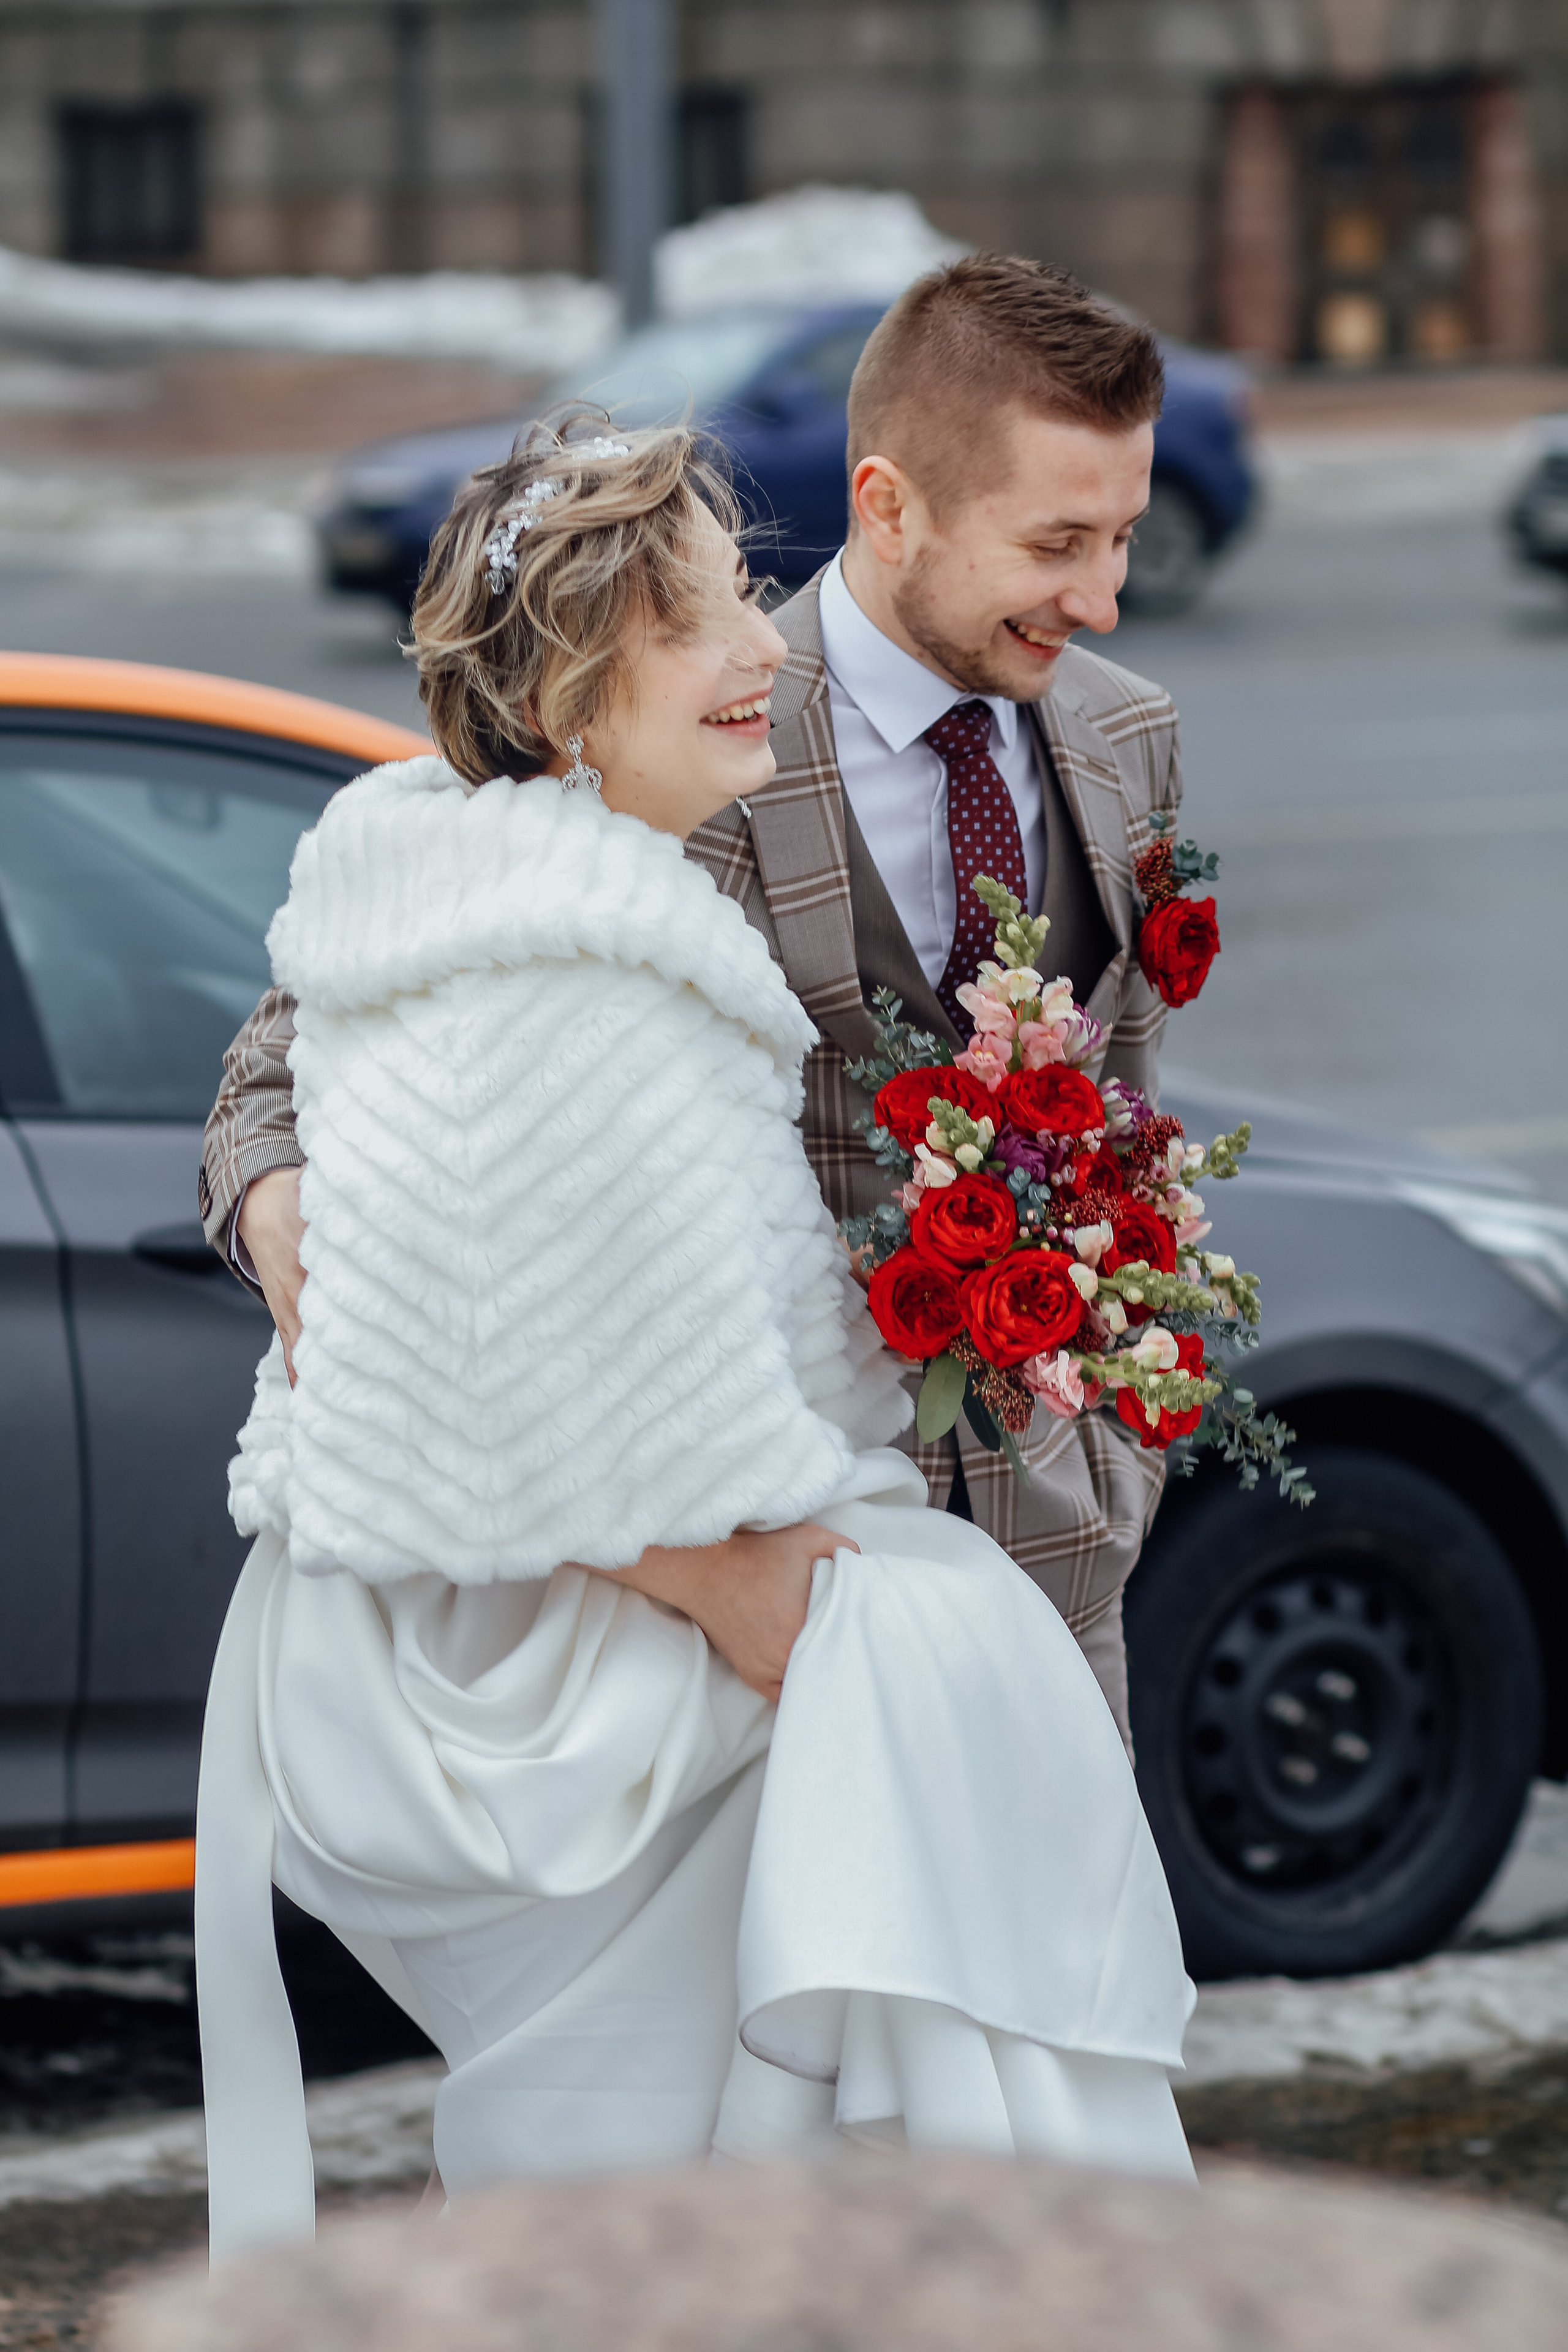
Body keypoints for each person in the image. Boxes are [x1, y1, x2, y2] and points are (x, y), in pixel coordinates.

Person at [195, 415, 1194, 2264]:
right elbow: (410, 1326)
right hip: (653, 1674)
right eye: (706, 617)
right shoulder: (545, 940)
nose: (766, 651)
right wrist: (728, 1579)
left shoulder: (595, 895)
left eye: (751, 595)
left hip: (817, 1595)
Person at [199, 257, 1182, 1753]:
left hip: (1060, 1581)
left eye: (1120, 537)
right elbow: (306, 1036)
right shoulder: (672, 718)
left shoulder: (1125, 741)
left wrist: (1114, 1445)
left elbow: (1120, 1101)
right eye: (1056, 543)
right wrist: (274, 1194)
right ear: (889, 503)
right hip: (759, 1600)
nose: (1101, 597)